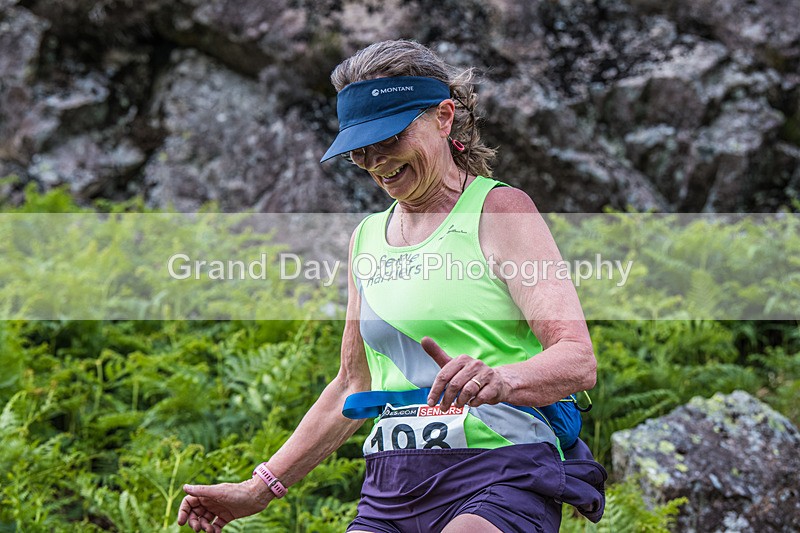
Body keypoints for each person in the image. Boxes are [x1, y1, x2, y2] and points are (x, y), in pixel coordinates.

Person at [177, 39, 606, 533]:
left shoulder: (500, 212)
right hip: (391, 485)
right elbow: (352, 385)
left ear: (444, 118)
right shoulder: (366, 239)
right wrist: (258, 489)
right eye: (361, 150)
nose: (377, 161)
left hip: (502, 471)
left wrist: (501, 380)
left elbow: (577, 357)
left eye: (392, 138)